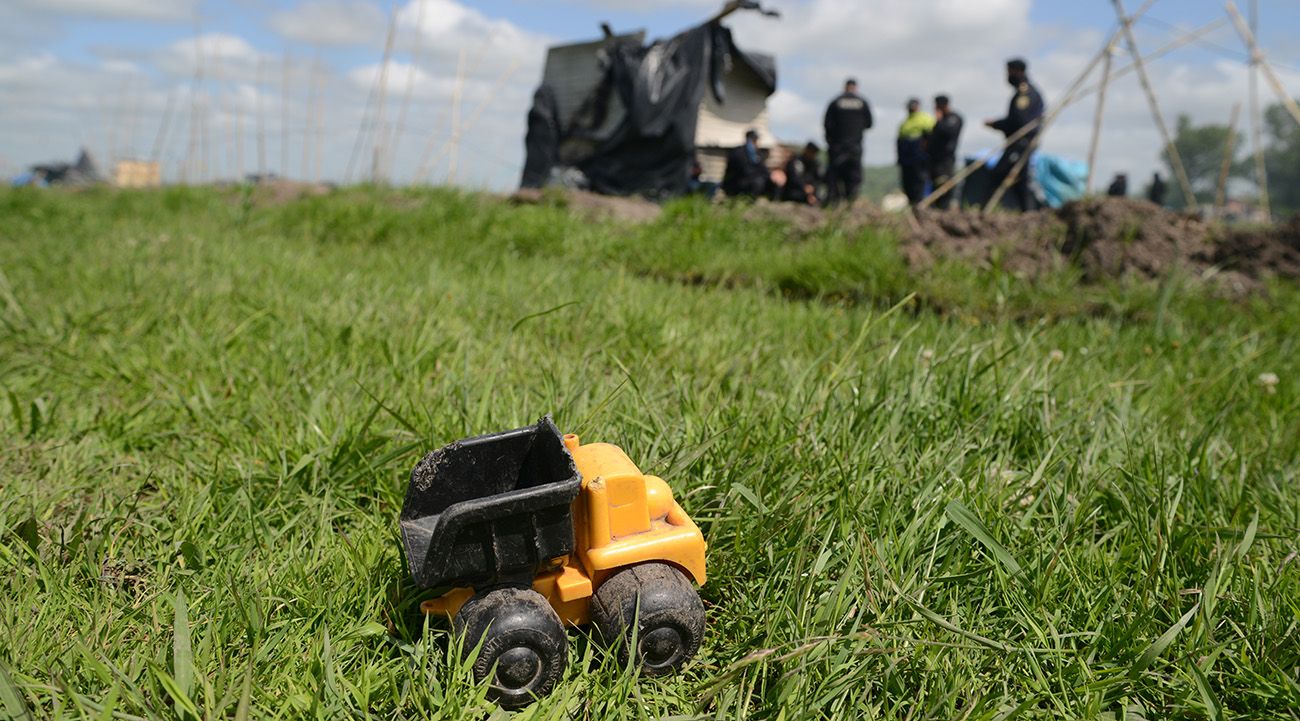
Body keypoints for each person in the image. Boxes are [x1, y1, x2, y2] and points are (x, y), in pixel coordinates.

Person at [984, 58, 1045, 211]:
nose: (1007, 76)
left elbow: (1019, 121)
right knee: (1020, 181)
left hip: (1020, 143)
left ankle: (983, 214)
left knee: (999, 175)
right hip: (1020, 143)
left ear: (1017, 71)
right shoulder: (1023, 92)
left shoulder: (1025, 93)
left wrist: (996, 124)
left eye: (1009, 72)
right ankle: (1027, 214)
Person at [823, 78, 873, 205]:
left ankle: (833, 204)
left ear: (844, 87)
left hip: (837, 146)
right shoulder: (862, 102)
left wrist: (831, 141)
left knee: (834, 176)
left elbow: (827, 124)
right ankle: (850, 203)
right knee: (853, 178)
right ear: (855, 88)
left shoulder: (835, 102)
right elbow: (869, 124)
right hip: (855, 147)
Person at [896, 98, 935, 206]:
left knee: (921, 181)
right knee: (908, 183)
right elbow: (899, 141)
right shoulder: (904, 123)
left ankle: (923, 204)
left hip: (920, 157)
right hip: (906, 159)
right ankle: (912, 204)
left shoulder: (926, 119)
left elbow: (931, 138)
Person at [928, 95, 964, 209]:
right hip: (935, 160)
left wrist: (939, 121)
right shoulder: (941, 120)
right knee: (935, 186)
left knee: (944, 185)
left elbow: (949, 133)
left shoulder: (954, 118)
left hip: (946, 160)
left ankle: (944, 211)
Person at [722, 129, 774, 199]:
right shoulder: (738, 152)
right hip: (736, 183)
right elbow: (744, 171)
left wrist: (772, 176)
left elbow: (763, 168)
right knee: (758, 182)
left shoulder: (757, 154)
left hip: (749, 180)